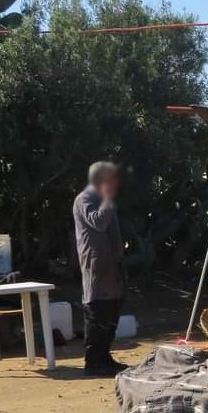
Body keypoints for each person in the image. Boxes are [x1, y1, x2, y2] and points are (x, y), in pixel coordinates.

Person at [73, 161, 127, 377]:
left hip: (110, 267)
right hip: (97, 268)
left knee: (111, 312)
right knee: (98, 313)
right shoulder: (84, 199)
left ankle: (104, 358)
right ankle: (94, 362)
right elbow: (99, 222)